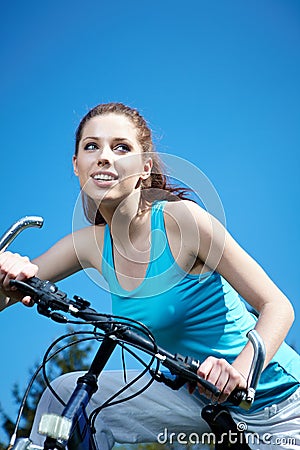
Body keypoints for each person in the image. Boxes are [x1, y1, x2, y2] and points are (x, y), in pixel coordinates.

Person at [0, 102, 299, 449]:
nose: (104, 157)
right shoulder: (90, 246)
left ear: (144, 167)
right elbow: (13, 291)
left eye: (121, 147)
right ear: (77, 166)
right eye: (91, 146)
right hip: (198, 401)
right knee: (62, 393)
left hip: (279, 403)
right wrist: (9, 274)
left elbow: (277, 305)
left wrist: (242, 371)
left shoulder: (183, 223)